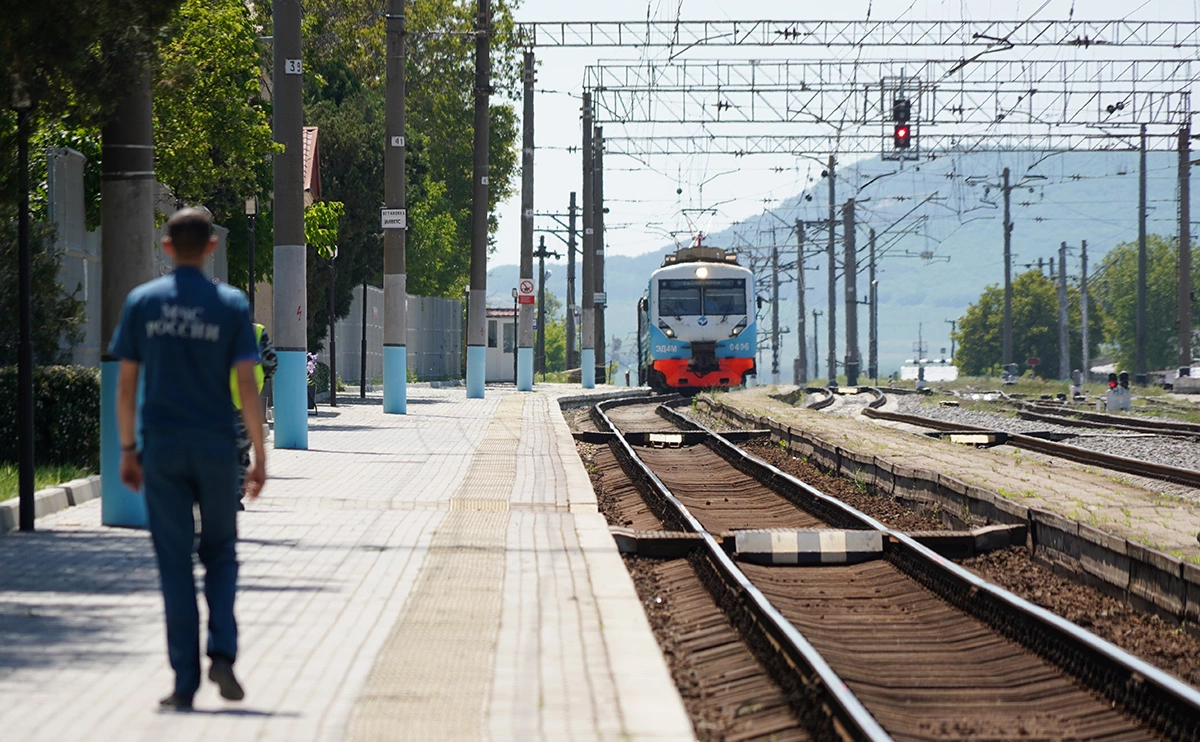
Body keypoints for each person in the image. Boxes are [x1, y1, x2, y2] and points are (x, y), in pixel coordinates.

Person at [110, 207, 267, 712]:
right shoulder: (230, 304)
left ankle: (184, 683)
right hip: (218, 449)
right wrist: (259, 455)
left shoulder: (142, 303)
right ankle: (221, 653)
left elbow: (127, 384)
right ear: (213, 248)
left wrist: (128, 450)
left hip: (162, 448)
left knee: (174, 564)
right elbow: (247, 383)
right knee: (220, 552)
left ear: (167, 247)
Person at [231, 323, 276, 508]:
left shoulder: (209, 325)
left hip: (211, 401)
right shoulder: (256, 331)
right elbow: (271, 363)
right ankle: (234, 496)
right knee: (240, 451)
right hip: (243, 403)